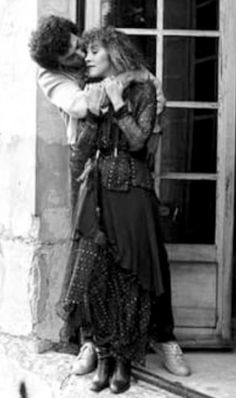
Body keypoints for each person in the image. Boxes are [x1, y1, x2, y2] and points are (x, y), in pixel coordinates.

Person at [29, 16, 191, 387]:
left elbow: (151, 100)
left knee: (147, 256)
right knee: (89, 257)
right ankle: (94, 343)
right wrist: (117, 87)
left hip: (131, 169)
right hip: (86, 166)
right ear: (56, 61)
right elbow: (83, 106)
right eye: (72, 53)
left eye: (84, 47)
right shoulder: (52, 77)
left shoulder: (121, 75)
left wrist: (133, 80)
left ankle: (162, 337)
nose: (80, 54)